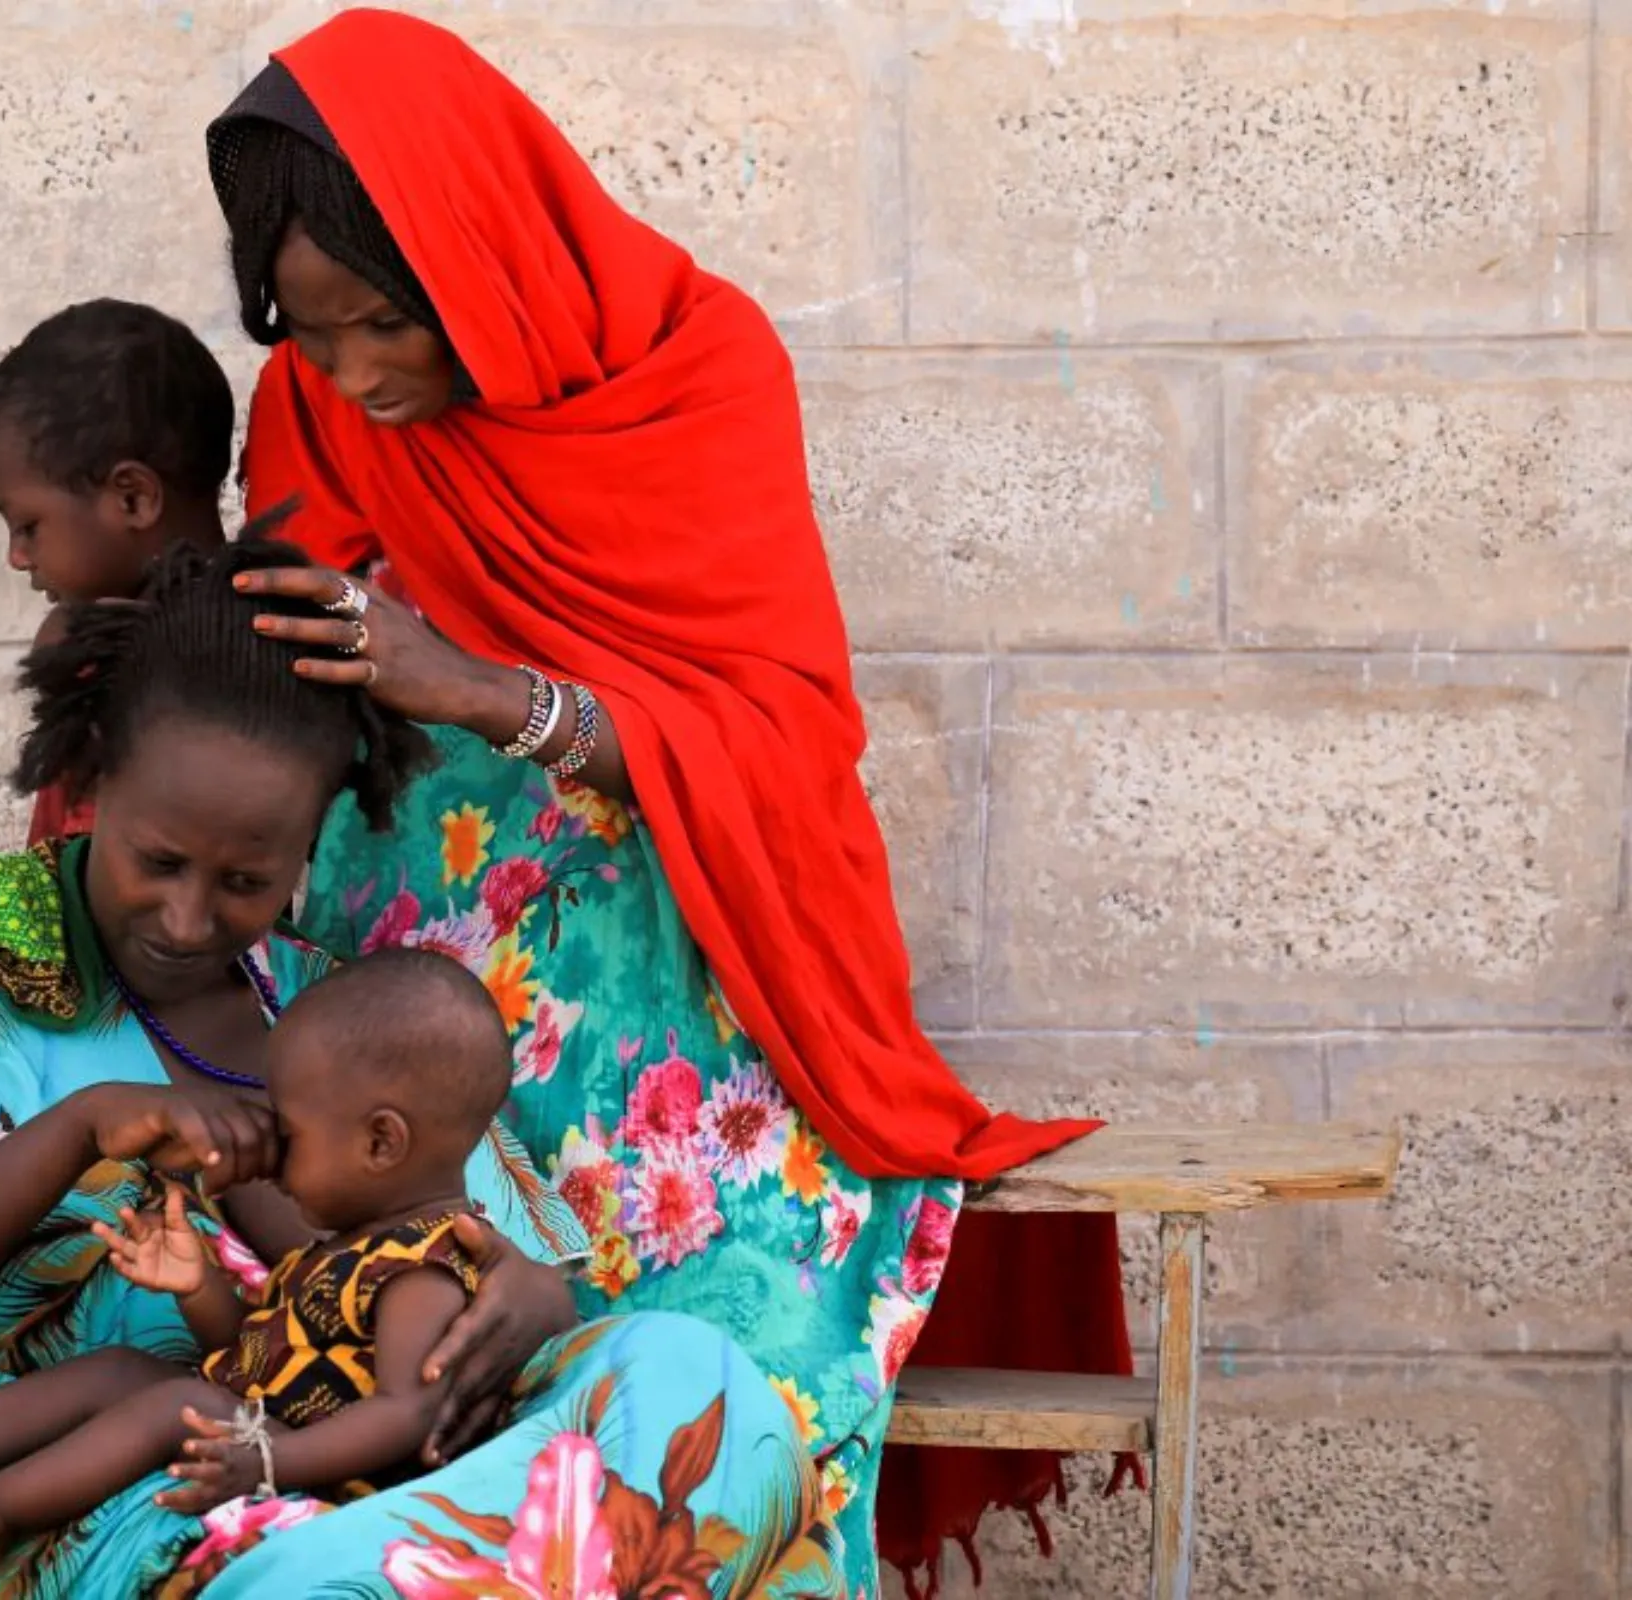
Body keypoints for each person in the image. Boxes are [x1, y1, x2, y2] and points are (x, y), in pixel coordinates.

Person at [205, 11, 1134, 1591]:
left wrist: (492, 694)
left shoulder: (698, 372)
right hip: (394, 1039)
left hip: (687, 992)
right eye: (310, 334)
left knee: (691, 1413)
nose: (353, 377)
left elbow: (784, 734)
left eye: (381, 324)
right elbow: (259, 700)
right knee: (353, 1370)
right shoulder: (313, 409)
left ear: (478, 263)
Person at [0, 538, 821, 1600]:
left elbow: (472, 1260)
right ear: (91, 784)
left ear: (308, 849)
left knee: (701, 1384)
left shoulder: (331, 1018)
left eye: (243, 880)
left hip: (297, 1484)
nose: (184, 915)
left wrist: (529, 1297)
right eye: (157, 859)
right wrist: (78, 1130)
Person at [0, 948, 517, 1569]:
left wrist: (273, 1461)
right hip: (270, 1425)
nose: (275, 1153)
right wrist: (198, 1287)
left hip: (326, 1464)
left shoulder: (425, 1268)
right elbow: (260, 1360)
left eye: (293, 1132)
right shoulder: (351, 1243)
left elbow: (404, 1414)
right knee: (121, 1370)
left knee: (184, 1402)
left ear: (381, 1144)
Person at [0, 298, 234, 842]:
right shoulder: (90, 644)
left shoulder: (217, 668)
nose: (17, 557)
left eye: (28, 526)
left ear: (133, 499)